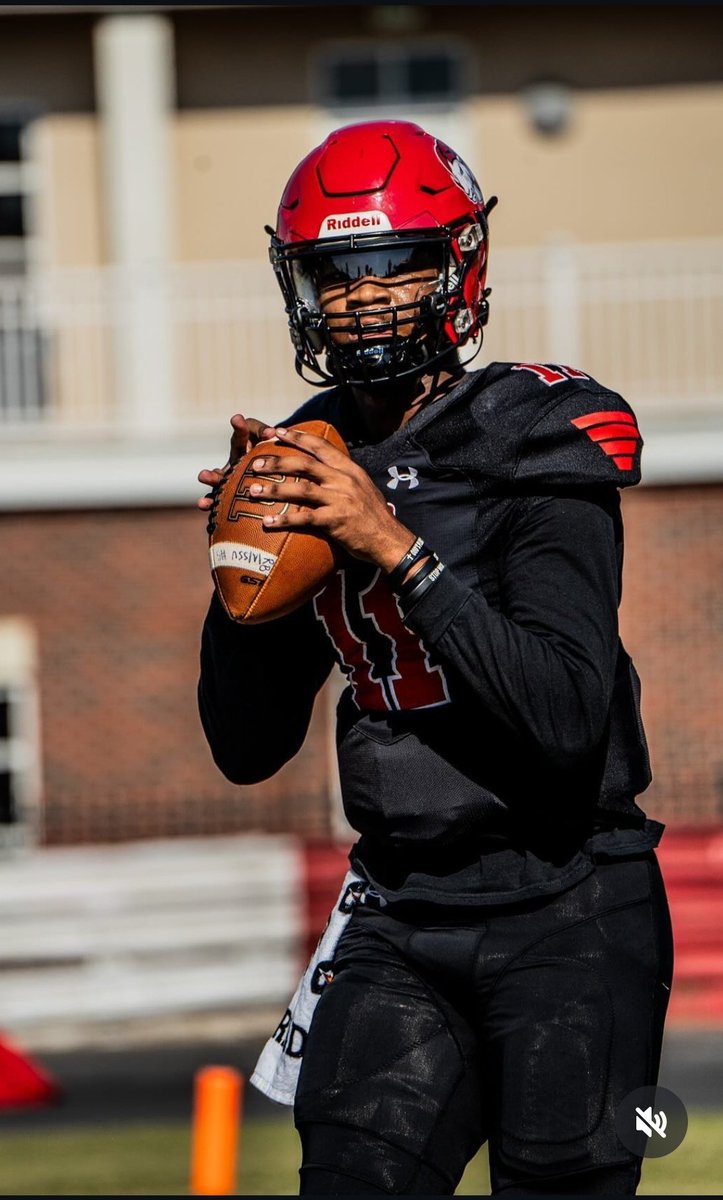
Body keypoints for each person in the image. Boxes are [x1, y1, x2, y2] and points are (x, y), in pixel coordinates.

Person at [197, 120, 673, 1196]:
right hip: (400, 907)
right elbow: (245, 748)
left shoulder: (536, 430)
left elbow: (561, 713)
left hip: (569, 903)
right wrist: (241, 588)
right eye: (334, 273)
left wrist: (397, 552)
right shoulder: (309, 451)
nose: (361, 297)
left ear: (458, 264)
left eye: (390, 265)